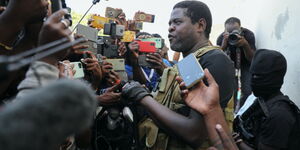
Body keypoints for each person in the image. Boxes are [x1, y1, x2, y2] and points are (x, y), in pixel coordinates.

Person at [122, 1, 235, 149]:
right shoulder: (189, 62)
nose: (170, 28)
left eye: (177, 22)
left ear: (200, 25)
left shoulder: (215, 60)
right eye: (169, 23)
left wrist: (143, 98)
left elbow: (194, 134)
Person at [233, 49, 300, 150]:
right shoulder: (260, 100)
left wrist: (238, 142)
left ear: (274, 78)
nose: (252, 80)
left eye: (258, 76)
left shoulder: (279, 114)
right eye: (252, 74)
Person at [217, 17, 256, 110]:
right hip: (229, 64)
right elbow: (218, 59)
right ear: (225, 31)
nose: (232, 35)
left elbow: (252, 59)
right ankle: (232, 112)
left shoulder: (248, 35)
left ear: (241, 29)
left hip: (246, 63)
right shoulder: (221, 38)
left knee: (248, 90)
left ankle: (243, 111)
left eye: (235, 31)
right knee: (231, 91)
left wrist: (245, 44)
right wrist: (223, 45)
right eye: (229, 32)